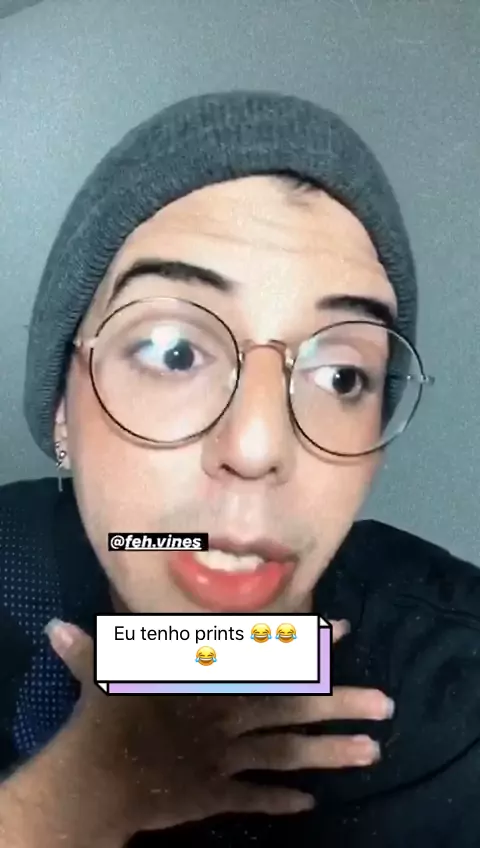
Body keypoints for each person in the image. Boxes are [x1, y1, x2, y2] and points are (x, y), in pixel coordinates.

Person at [0, 90, 479, 848]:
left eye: (341, 375)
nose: (258, 447)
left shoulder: (458, 693)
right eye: (173, 352)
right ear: (63, 407)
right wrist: (60, 809)